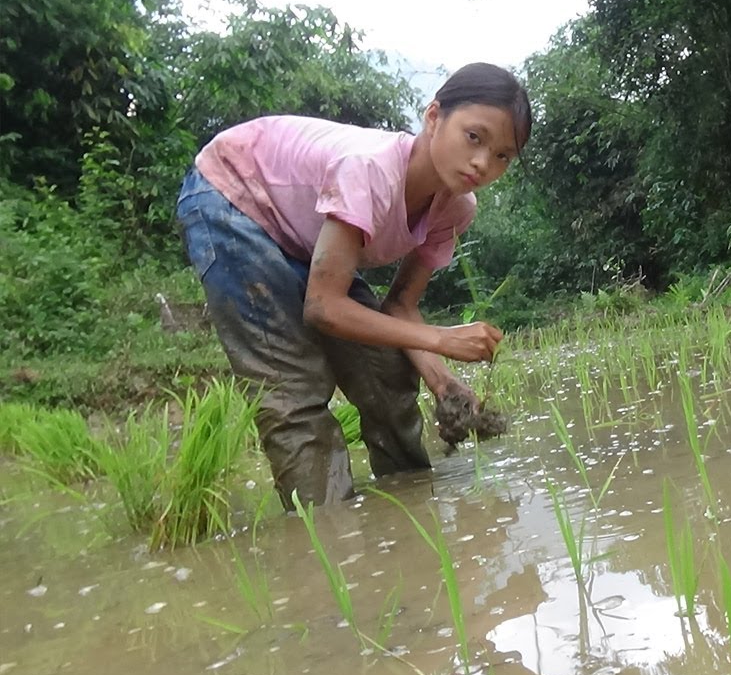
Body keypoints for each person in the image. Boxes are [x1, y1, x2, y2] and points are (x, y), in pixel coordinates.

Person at [174, 62, 530, 510]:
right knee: (295, 392)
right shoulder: (370, 171)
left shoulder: (455, 209)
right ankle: (330, 542)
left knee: (387, 369)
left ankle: (411, 511)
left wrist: (442, 382)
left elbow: (401, 306)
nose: (483, 163)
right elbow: (323, 307)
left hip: (303, 232)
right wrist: (441, 339)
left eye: (503, 156)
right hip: (232, 196)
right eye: (474, 137)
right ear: (434, 117)